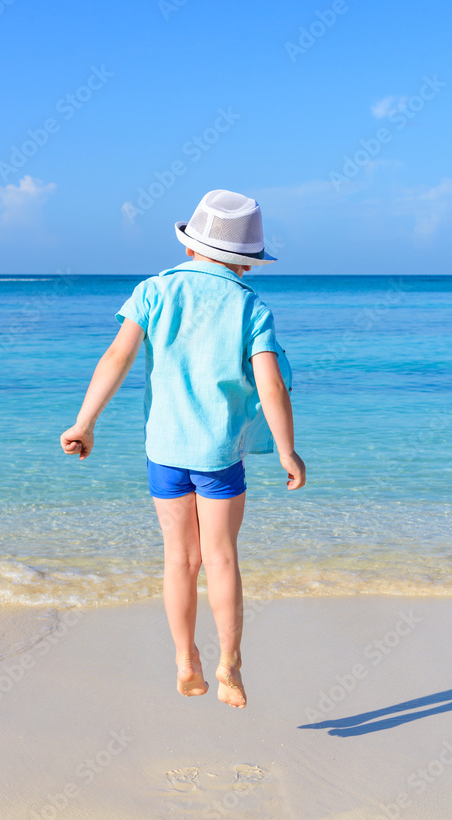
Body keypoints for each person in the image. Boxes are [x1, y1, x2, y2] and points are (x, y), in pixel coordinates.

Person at [60, 189, 305, 709]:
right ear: (247, 261)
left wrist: (85, 422)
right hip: (218, 453)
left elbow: (116, 358)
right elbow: (271, 387)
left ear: (192, 246)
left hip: (165, 452)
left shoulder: (154, 291)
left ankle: (184, 659)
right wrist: (286, 450)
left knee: (179, 560)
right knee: (220, 559)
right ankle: (230, 666)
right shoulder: (249, 306)